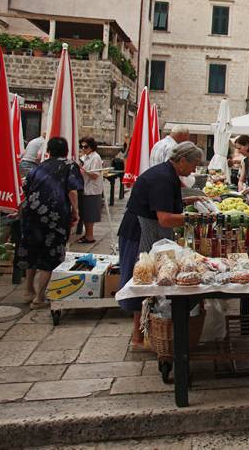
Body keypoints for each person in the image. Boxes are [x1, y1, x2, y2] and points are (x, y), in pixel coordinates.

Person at [118, 142, 206, 349]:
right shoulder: (163, 178)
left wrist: (188, 200)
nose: (195, 169)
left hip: (143, 229)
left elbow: (164, 204)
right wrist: (196, 218)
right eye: (194, 164)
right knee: (142, 280)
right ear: (182, 160)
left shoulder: (167, 174)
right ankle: (138, 339)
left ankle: (145, 333)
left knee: (147, 280)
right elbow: (165, 219)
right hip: (139, 233)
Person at [18, 137, 83, 308]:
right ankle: (39, 297)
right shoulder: (69, 165)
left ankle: (28, 290)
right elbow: (72, 190)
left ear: (49, 151)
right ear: (66, 150)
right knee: (50, 253)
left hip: (31, 212)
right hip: (54, 214)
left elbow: (26, 188)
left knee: (32, 249)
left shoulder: (39, 167)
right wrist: (75, 211)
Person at [77, 137, 104, 244]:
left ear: (91, 147)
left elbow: (94, 175)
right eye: (82, 146)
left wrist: (83, 170)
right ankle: (87, 234)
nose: (83, 149)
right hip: (85, 188)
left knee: (89, 214)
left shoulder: (95, 158)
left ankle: (90, 236)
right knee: (85, 213)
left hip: (92, 189)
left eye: (86, 147)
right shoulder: (84, 157)